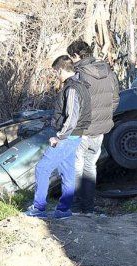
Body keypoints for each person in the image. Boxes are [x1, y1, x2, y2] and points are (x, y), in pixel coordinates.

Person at [25, 55, 91, 219]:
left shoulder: (72, 89)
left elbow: (72, 118)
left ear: (61, 69)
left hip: (68, 137)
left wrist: (59, 137)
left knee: (42, 168)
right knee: (67, 172)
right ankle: (63, 210)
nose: (56, 76)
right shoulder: (81, 85)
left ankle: (38, 208)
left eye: (56, 72)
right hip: (75, 136)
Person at [67, 39, 119, 215]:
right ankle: (88, 207)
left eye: (71, 57)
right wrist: (103, 118)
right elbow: (115, 100)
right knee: (90, 167)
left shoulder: (78, 75)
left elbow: (73, 106)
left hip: (81, 130)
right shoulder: (108, 71)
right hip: (100, 130)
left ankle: (75, 207)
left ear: (76, 55)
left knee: (75, 166)